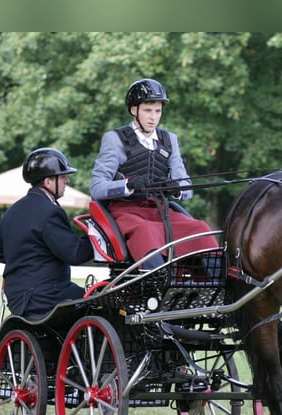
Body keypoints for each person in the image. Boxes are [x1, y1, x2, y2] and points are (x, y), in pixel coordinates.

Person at [90, 78, 218, 271]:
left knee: (200, 229)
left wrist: (175, 189)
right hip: (127, 211)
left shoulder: (169, 140)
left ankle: (216, 286)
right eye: (147, 110)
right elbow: (97, 188)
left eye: (157, 111)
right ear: (134, 110)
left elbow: (187, 189)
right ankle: (159, 285)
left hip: (160, 211)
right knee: (147, 231)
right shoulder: (114, 139)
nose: (153, 117)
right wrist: (129, 185)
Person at [0, 147, 93, 318]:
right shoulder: (49, 211)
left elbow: (0, 253)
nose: (67, 181)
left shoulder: (12, 211)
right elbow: (75, 254)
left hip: (17, 297)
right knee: (101, 300)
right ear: (48, 182)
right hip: (45, 297)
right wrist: (96, 235)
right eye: (62, 177)